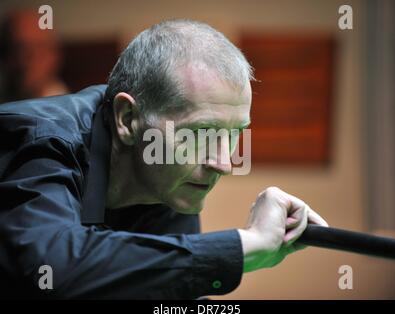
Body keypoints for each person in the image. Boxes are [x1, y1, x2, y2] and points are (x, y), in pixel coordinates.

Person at [0, 19, 328, 299]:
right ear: (127, 118)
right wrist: (245, 245)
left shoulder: (165, 184)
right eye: (198, 134)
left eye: (232, 134)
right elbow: (49, 274)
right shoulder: (43, 137)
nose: (225, 164)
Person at [0, 9, 68, 103]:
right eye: (18, 48)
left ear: (55, 55)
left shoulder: (76, 112)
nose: (27, 57)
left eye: (38, 47)